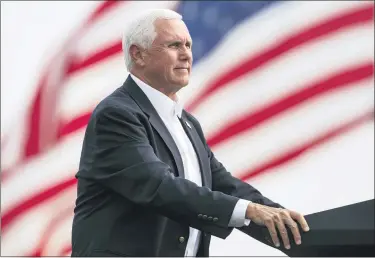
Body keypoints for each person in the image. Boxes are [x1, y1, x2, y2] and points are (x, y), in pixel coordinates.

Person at [71, 9, 310, 257]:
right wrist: (249, 210)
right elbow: (159, 186)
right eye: (174, 45)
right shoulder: (116, 115)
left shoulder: (187, 123)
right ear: (138, 54)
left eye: (188, 45)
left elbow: (223, 186)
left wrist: (281, 216)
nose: (186, 54)